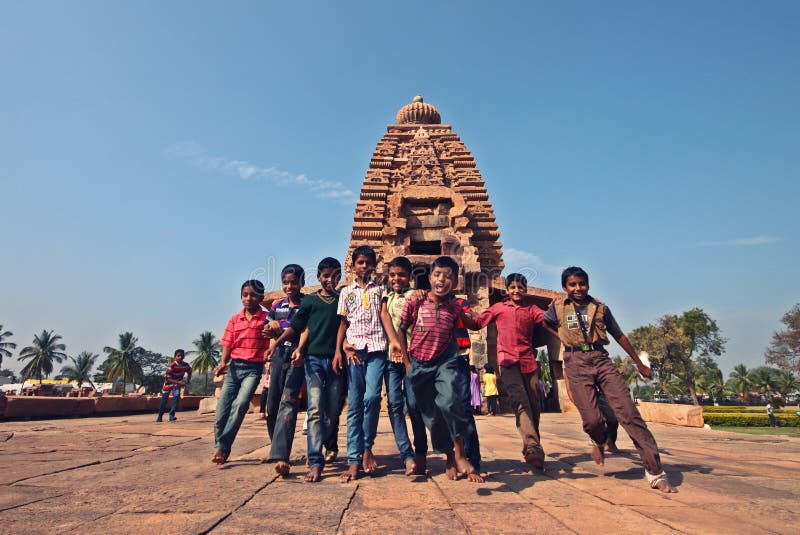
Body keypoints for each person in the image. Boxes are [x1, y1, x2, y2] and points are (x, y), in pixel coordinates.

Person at [543, 266, 677, 492]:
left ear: (588, 284)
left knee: (629, 413)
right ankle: (598, 439)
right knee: (592, 420)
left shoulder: (600, 308)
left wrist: (638, 362)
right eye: (572, 285)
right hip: (575, 362)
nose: (578, 288)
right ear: (565, 287)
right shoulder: (556, 308)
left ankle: (655, 471)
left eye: (582, 283)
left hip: (601, 359)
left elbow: (619, 334)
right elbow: (545, 323)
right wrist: (565, 339)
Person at [397, 256, 484, 483]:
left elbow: (474, 324)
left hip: (445, 361)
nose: (442, 280)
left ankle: (461, 454)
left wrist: (470, 312)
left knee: (449, 402)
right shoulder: (416, 301)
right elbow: (401, 329)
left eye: (448, 276)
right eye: (437, 275)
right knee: (431, 416)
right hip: (418, 363)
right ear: (429, 278)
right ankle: (448, 456)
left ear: (455, 281)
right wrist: (406, 362)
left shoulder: (455, 307)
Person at [268, 257, 344, 482]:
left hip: (336, 361)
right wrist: (277, 343)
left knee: (331, 412)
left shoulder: (344, 300)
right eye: (325, 275)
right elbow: (297, 327)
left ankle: (329, 444)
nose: (330, 280)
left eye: (334, 276)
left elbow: (346, 325)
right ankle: (315, 458)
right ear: (318, 277)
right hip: (313, 361)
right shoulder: (310, 301)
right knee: (314, 410)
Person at [470, 273, 547, 470]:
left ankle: (532, 445)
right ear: (506, 290)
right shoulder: (498, 307)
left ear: (526, 289)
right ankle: (532, 447)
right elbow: (478, 323)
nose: (516, 291)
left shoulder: (532, 309)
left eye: (520, 287)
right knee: (520, 402)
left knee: (534, 404)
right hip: (507, 362)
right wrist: (460, 313)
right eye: (512, 287)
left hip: (528, 361)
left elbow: (547, 320)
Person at [334, 245, 389, 482]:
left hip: (377, 348)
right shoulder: (346, 292)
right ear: (353, 265)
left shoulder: (382, 290)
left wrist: (394, 342)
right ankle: (354, 460)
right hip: (354, 351)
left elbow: (386, 316)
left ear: (374, 265)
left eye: (368, 262)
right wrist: (340, 348)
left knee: (372, 398)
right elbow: (343, 323)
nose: (364, 266)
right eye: (360, 262)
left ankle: (367, 446)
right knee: (355, 404)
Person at [212, 280, 270, 465]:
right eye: (245, 295)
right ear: (240, 297)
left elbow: (271, 342)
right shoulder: (234, 319)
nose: (248, 298)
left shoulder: (266, 319)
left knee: (240, 405)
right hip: (234, 368)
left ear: (261, 298)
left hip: (253, 369)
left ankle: (223, 448)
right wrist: (223, 363)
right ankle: (220, 445)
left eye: (253, 295)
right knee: (221, 412)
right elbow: (228, 344)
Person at [379, 256, 428, 476]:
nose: (396, 279)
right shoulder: (385, 296)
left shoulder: (417, 297)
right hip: (390, 359)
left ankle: (421, 452)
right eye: (392, 275)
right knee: (394, 406)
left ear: (410, 277)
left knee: (415, 405)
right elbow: (383, 317)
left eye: (401, 275)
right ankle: (406, 454)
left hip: (413, 359)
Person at [261, 264, 306, 476]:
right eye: (286, 282)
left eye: (294, 282)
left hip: (298, 355)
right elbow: (266, 328)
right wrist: (270, 330)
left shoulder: (308, 303)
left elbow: (306, 329)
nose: (290, 286)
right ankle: (275, 446)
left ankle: (281, 454)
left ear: (302, 283)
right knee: (272, 404)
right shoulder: (277, 305)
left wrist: (283, 331)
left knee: (288, 402)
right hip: (278, 356)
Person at [156, 349, 192, 423]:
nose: (180, 357)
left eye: (182, 356)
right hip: (168, 384)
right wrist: (179, 383)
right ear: (175, 357)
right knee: (164, 400)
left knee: (177, 396)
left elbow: (190, 371)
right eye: (178, 356)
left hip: (177, 384)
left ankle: (171, 415)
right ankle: (160, 416)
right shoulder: (171, 366)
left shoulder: (185, 365)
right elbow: (168, 379)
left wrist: (188, 380)